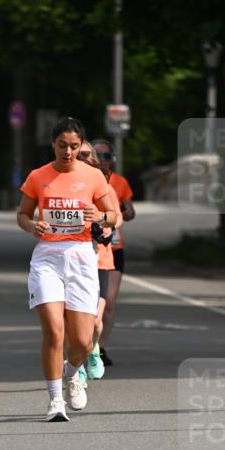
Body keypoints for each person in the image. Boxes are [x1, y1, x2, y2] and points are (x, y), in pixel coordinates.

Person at [16, 116, 117, 421]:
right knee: (53, 331)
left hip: (81, 257)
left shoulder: (93, 176)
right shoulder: (38, 176)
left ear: (80, 145)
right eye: (62, 145)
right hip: (47, 257)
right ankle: (55, 401)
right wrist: (32, 225)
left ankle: (72, 374)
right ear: (53, 144)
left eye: (74, 146)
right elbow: (23, 214)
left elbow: (113, 215)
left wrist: (99, 216)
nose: (68, 151)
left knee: (83, 342)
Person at [78, 142, 122, 380]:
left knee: (95, 320)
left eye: (86, 154)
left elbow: (117, 217)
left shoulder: (103, 185)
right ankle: (76, 364)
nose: (80, 157)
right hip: (72, 259)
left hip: (99, 260)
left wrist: (105, 224)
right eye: (78, 154)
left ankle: (94, 349)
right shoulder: (61, 183)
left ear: (93, 158)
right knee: (72, 319)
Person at [92, 138, 135, 366]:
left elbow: (129, 211)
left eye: (106, 156)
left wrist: (125, 212)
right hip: (86, 248)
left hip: (113, 247)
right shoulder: (83, 179)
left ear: (113, 159)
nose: (101, 160)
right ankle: (81, 345)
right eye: (97, 155)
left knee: (108, 301)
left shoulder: (119, 182)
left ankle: (100, 348)